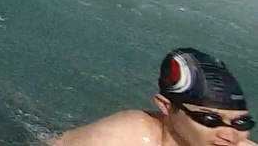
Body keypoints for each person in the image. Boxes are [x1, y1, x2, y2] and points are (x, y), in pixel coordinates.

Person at [50, 47, 254, 145]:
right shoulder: (117, 139)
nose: (230, 136)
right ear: (165, 106)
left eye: (241, 123)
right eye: (210, 120)